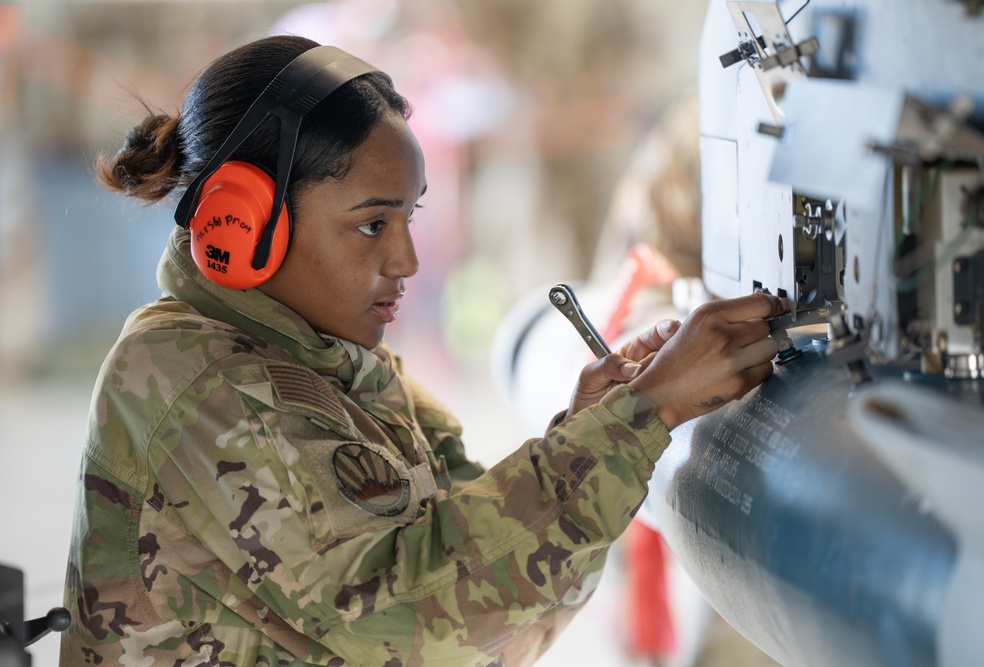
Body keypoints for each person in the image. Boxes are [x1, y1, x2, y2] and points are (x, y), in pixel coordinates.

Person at [61, 34, 787, 667]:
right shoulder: (188, 377)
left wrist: (590, 425)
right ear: (242, 223)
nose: (408, 260)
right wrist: (640, 416)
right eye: (373, 224)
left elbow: (501, 622)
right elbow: (415, 624)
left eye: (409, 217)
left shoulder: (344, 365)